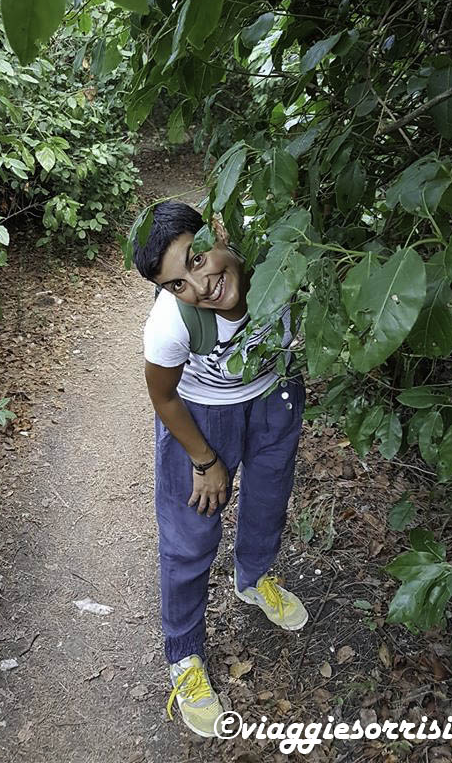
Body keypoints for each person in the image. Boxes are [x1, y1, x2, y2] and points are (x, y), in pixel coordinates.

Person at [132, 200, 308, 738]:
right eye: (178, 283)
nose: (200, 284)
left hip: (273, 392)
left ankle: (253, 578)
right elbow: (162, 397)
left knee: (268, 497)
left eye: (197, 257)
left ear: (219, 232)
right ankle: (183, 655)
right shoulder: (169, 325)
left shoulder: (282, 262)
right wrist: (204, 461)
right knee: (190, 535)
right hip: (202, 414)